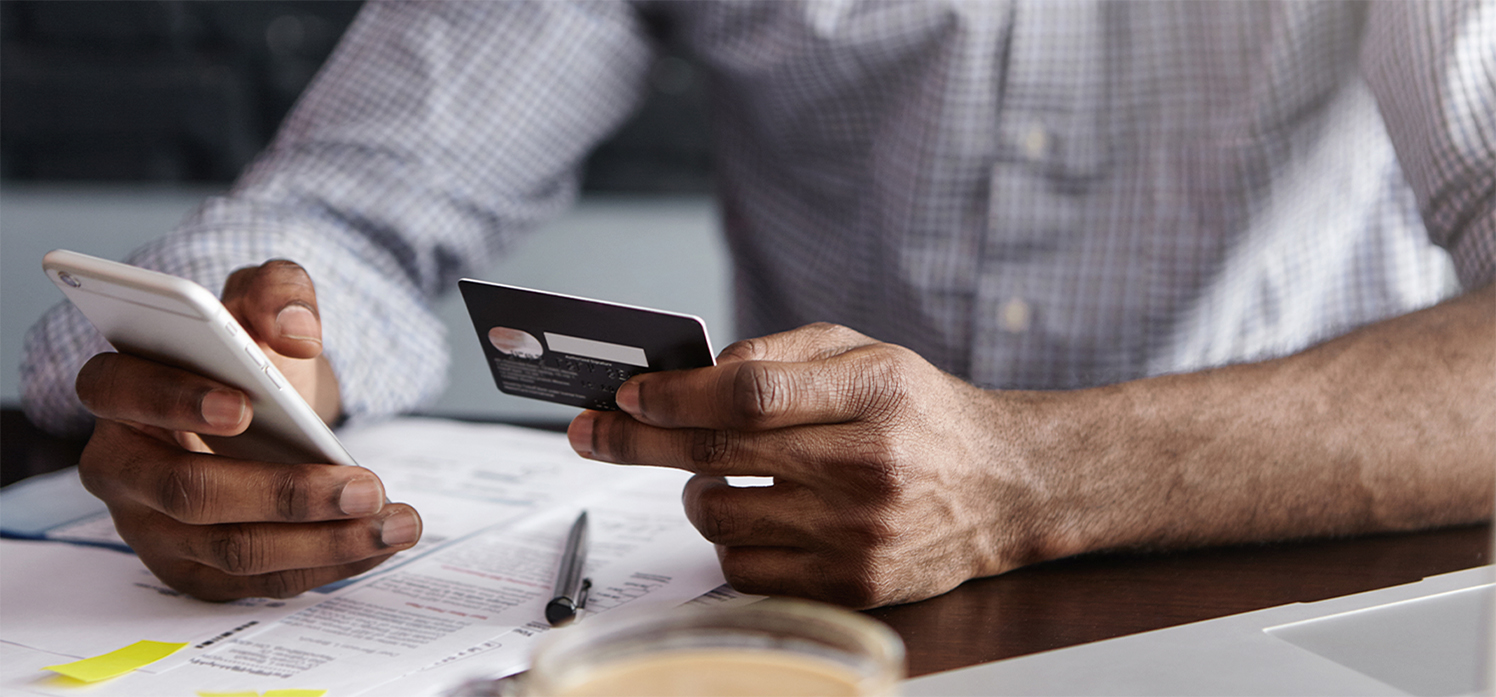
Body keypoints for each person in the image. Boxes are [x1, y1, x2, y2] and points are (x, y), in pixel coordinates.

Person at [21, 1, 1494, 608]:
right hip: (792, 630)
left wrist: (1037, 474)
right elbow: (349, 206)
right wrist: (255, 367)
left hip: (1281, 604)